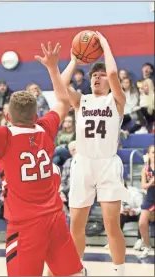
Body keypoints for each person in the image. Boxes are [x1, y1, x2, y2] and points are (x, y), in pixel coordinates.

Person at [0, 42, 84, 277]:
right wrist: (53, 69)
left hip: (25, 226)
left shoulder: (3, 136)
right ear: (36, 115)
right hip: (55, 219)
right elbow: (63, 102)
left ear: (6, 116)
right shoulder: (45, 128)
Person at [61, 31, 129, 276]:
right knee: (75, 226)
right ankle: (75, 270)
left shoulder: (116, 100)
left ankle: (119, 272)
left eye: (101, 76)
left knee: (112, 225)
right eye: (94, 76)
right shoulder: (81, 101)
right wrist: (74, 60)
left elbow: (113, 73)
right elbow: (60, 83)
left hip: (108, 165)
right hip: (83, 164)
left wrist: (105, 44)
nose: (98, 78)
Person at [139, 145, 155, 259]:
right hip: (150, 197)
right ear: (148, 155)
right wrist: (151, 183)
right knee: (142, 223)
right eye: (153, 152)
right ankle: (147, 246)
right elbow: (144, 186)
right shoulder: (145, 169)